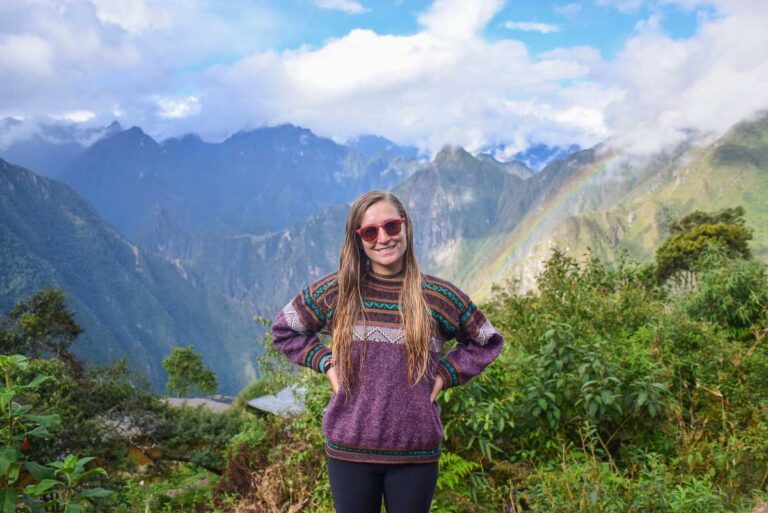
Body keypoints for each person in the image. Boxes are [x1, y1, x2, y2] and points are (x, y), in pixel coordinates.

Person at [271, 190, 503, 513]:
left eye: (391, 226)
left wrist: (443, 376)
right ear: (359, 239)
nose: (383, 238)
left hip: (414, 451)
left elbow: (487, 340)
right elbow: (285, 329)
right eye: (370, 231)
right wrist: (327, 364)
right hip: (349, 448)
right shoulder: (340, 291)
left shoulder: (437, 297)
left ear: (405, 226)